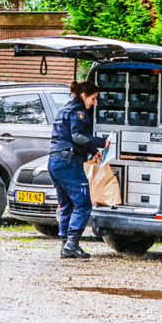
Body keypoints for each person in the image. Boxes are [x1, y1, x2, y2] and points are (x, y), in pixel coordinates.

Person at [49, 80, 109, 260]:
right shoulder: (79, 111)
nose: (94, 103)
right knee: (83, 204)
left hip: (54, 161)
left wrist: (93, 151)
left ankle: (65, 244)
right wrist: (101, 143)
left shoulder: (64, 110)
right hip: (68, 162)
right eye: (93, 98)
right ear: (84, 95)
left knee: (67, 204)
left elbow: (68, 136)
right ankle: (71, 245)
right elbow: (78, 136)